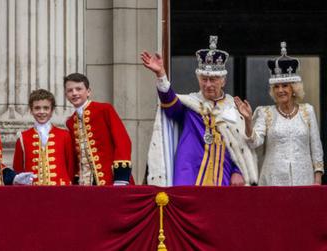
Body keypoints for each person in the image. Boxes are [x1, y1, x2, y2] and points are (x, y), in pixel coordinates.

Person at [142, 35, 257, 186]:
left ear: (223, 81)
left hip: (224, 174)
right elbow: (170, 106)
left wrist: (238, 171)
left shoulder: (234, 108)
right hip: (189, 172)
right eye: (204, 79)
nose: (208, 84)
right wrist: (161, 75)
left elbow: (241, 144)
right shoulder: (190, 103)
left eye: (213, 79)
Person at [235, 42, 323, 186]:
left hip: (304, 180)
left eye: (285, 85)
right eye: (276, 86)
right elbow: (254, 142)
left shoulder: (307, 111)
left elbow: (316, 147)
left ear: (294, 88)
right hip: (273, 181)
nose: (280, 90)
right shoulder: (265, 113)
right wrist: (248, 121)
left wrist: (317, 178)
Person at [64, 73, 132, 186]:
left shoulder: (104, 109)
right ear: (66, 95)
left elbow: (123, 141)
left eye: (78, 89)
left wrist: (121, 178)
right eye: (70, 90)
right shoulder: (70, 122)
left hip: (110, 180)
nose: (74, 93)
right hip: (84, 183)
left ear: (88, 91)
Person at [12, 89, 75, 185]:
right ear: (31, 110)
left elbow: (70, 167)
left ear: (52, 110)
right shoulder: (22, 138)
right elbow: (18, 169)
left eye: (46, 108)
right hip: (33, 193)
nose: (42, 112)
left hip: (61, 190)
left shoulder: (64, 135)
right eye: (37, 108)